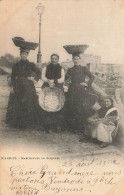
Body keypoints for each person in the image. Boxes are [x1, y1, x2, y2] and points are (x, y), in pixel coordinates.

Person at [6, 37, 41, 129]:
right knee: (18, 104)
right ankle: (18, 124)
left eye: (26, 53)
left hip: (28, 87)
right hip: (18, 86)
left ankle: (27, 124)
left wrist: (35, 79)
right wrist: (12, 86)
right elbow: (13, 77)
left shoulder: (31, 64)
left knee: (28, 104)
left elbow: (39, 73)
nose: (24, 55)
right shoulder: (16, 65)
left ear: (28, 54)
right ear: (20, 54)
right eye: (23, 53)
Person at [65, 53, 96, 135]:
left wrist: (87, 83)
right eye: (74, 59)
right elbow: (65, 78)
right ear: (72, 60)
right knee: (73, 108)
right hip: (72, 90)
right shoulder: (70, 69)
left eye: (77, 59)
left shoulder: (84, 68)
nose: (76, 60)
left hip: (81, 90)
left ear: (80, 60)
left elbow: (92, 77)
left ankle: (80, 128)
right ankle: (73, 128)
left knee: (81, 108)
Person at [41, 54, 65, 132]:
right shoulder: (46, 67)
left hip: (57, 88)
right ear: (51, 59)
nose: (54, 60)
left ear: (58, 59)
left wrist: (54, 81)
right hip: (47, 88)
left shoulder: (61, 68)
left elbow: (62, 79)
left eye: (55, 59)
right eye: (53, 59)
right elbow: (43, 77)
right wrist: (48, 81)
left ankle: (56, 126)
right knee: (47, 106)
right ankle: (47, 127)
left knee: (57, 106)